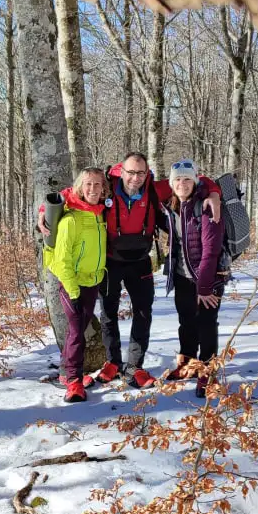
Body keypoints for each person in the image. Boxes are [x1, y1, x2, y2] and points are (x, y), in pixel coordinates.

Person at [39, 152, 221, 389]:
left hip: (140, 260)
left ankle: (135, 365)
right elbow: (72, 193)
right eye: (130, 172)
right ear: (120, 171)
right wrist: (45, 209)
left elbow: (195, 180)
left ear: (147, 174)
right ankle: (113, 362)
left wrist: (214, 193)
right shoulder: (106, 185)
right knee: (108, 313)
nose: (135, 178)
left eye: (140, 173)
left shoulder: (155, 189)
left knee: (143, 312)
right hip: (110, 260)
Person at [163, 159, 228, 397]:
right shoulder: (172, 205)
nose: (182, 183)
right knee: (186, 322)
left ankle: (207, 373)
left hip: (209, 278)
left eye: (187, 178)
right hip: (182, 274)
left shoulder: (207, 205)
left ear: (195, 180)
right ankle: (188, 364)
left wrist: (204, 287)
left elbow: (211, 250)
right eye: (177, 179)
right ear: (171, 183)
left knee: (207, 325)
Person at [44, 168, 108, 403]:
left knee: (78, 330)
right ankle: (73, 382)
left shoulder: (100, 214)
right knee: (76, 333)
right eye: (88, 185)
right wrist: (72, 290)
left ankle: (66, 372)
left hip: (92, 281)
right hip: (73, 284)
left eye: (97, 185)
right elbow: (62, 261)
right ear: (80, 188)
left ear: (104, 188)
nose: (93, 189)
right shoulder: (71, 219)